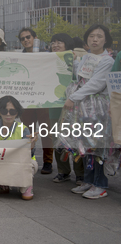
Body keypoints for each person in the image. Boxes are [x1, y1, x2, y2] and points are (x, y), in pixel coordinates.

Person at [60, 25, 115, 199]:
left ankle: (100, 184)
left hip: (97, 109)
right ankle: (88, 181)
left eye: (99, 36)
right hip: (83, 107)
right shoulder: (86, 58)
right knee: (84, 145)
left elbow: (96, 84)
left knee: (97, 146)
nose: (95, 39)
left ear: (106, 39)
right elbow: (79, 77)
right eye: (91, 36)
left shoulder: (107, 61)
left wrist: (73, 98)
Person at [0, 96, 38, 200]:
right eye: (4, 110)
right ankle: (2, 184)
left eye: (12, 111)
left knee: (30, 164)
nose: (8, 114)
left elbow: (29, 155)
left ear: (17, 113)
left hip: (20, 162)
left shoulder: (24, 129)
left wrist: (32, 143)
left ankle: (26, 185)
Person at [48, 33, 84, 185]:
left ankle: (80, 173)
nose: (55, 45)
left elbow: (81, 79)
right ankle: (63, 171)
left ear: (67, 45)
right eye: (53, 42)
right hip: (55, 105)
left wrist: (74, 61)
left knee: (75, 139)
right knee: (58, 139)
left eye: (60, 42)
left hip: (73, 107)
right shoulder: (48, 60)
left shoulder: (77, 61)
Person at [17, 27, 52, 174]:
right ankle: (28, 157)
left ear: (34, 38)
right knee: (27, 131)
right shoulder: (19, 58)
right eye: (23, 38)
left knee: (45, 131)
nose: (26, 40)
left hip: (43, 98)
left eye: (28, 37)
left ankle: (48, 161)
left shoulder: (46, 55)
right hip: (26, 100)